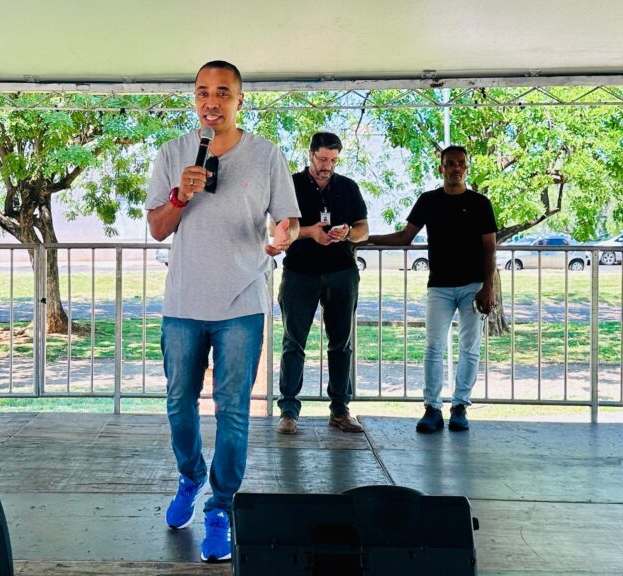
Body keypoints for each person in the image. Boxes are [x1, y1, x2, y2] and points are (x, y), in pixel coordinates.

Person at [145, 60, 300, 562]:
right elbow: (158, 228)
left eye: (223, 93)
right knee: (178, 403)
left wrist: (284, 234)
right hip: (184, 303)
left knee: (233, 410)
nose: (212, 101)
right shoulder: (171, 153)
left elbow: (289, 222)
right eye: (202, 92)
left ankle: (221, 505)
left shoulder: (267, 155)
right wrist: (180, 195)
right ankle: (189, 477)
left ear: (239, 100)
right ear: (195, 98)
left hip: (242, 303)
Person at [367, 146, 497, 433]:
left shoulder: (480, 203)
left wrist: (489, 287)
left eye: (461, 164)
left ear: (467, 168)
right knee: (433, 347)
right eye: (450, 164)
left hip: (473, 285)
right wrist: (365, 239)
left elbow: (490, 249)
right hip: (439, 286)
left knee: (469, 348)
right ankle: (432, 408)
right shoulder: (429, 200)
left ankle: (460, 406)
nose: (455, 168)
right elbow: (405, 237)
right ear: (441, 168)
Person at [276, 132, 369, 435]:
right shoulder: (291, 184)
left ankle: (340, 410)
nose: (327, 165)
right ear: (311, 154)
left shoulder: (348, 187)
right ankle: (289, 411)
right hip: (300, 273)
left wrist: (347, 234)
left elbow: (363, 230)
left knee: (341, 343)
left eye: (333, 160)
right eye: (322, 159)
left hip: (341, 272)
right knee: (294, 341)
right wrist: (309, 233)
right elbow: (278, 230)